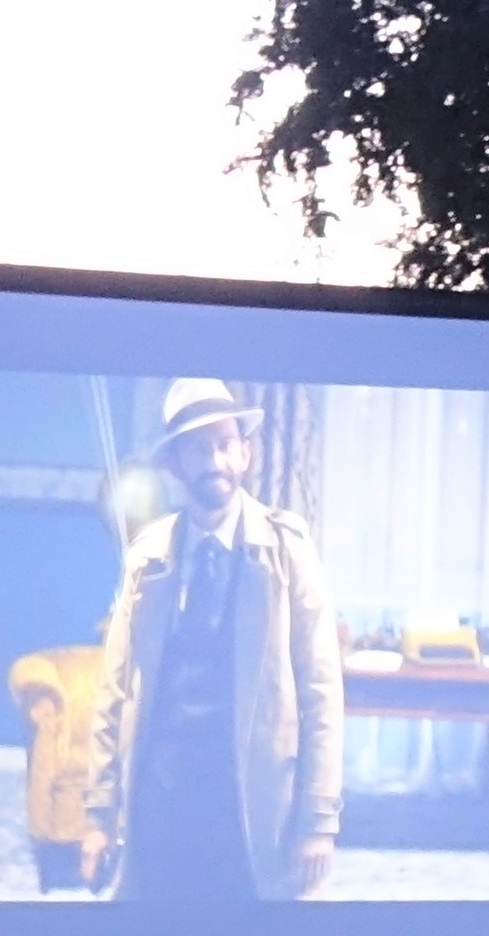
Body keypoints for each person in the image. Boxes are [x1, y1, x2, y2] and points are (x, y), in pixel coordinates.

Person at [83, 379, 343, 905]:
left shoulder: (288, 551)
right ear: (174, 465)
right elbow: (113, 694)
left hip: (251, 805)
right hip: (162, 804)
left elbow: (321, 690)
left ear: (245, 454)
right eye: (199, 448)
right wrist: (98, 815)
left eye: (225, 444)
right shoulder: (147, 559)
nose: (215, 460)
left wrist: (318, 819)